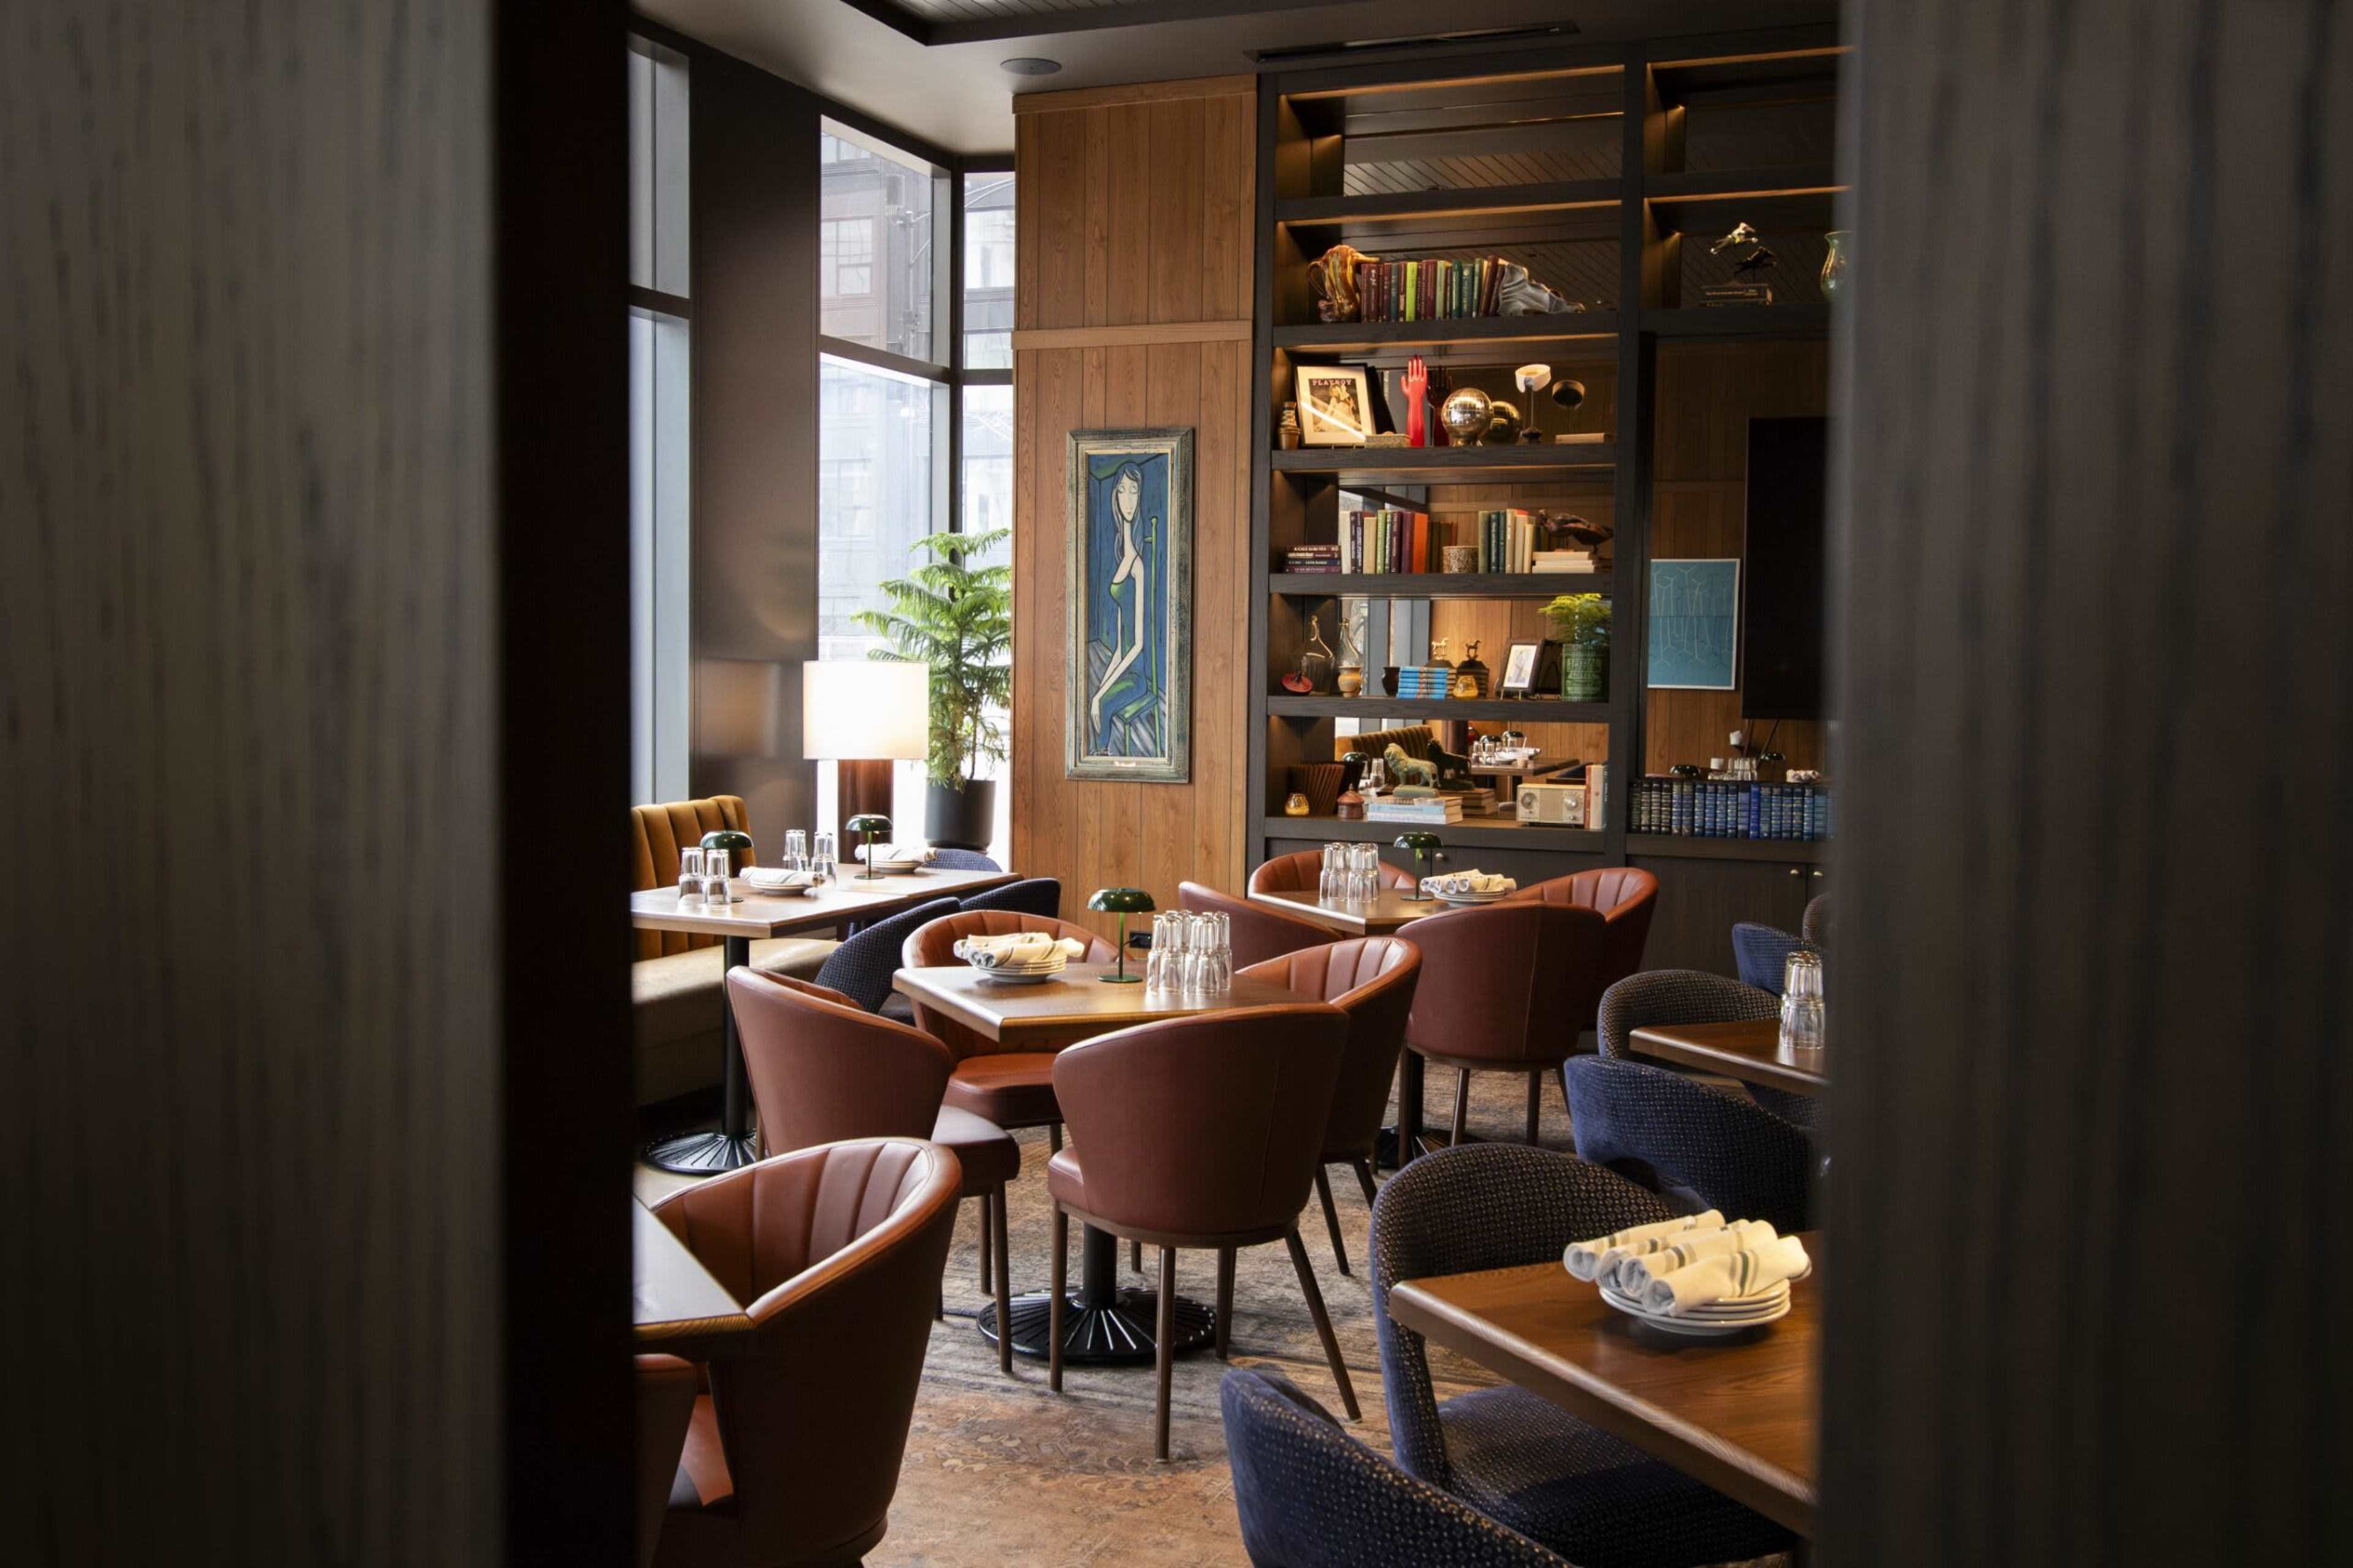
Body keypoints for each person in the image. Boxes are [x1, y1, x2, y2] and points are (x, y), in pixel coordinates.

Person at [1089, 463, 1159, 753]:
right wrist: (1100, 686)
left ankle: (1100, 757)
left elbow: (1138, 644)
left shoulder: (1139, 566)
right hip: (1123, 664)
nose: (1128, 499)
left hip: (1137, 677)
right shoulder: (1122, 561)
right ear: (1116, 497)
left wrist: (1101, 694)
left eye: (1134, 491)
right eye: (1123, 491)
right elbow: (1121, 641)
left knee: (1102, 706)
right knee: (1096, 701)